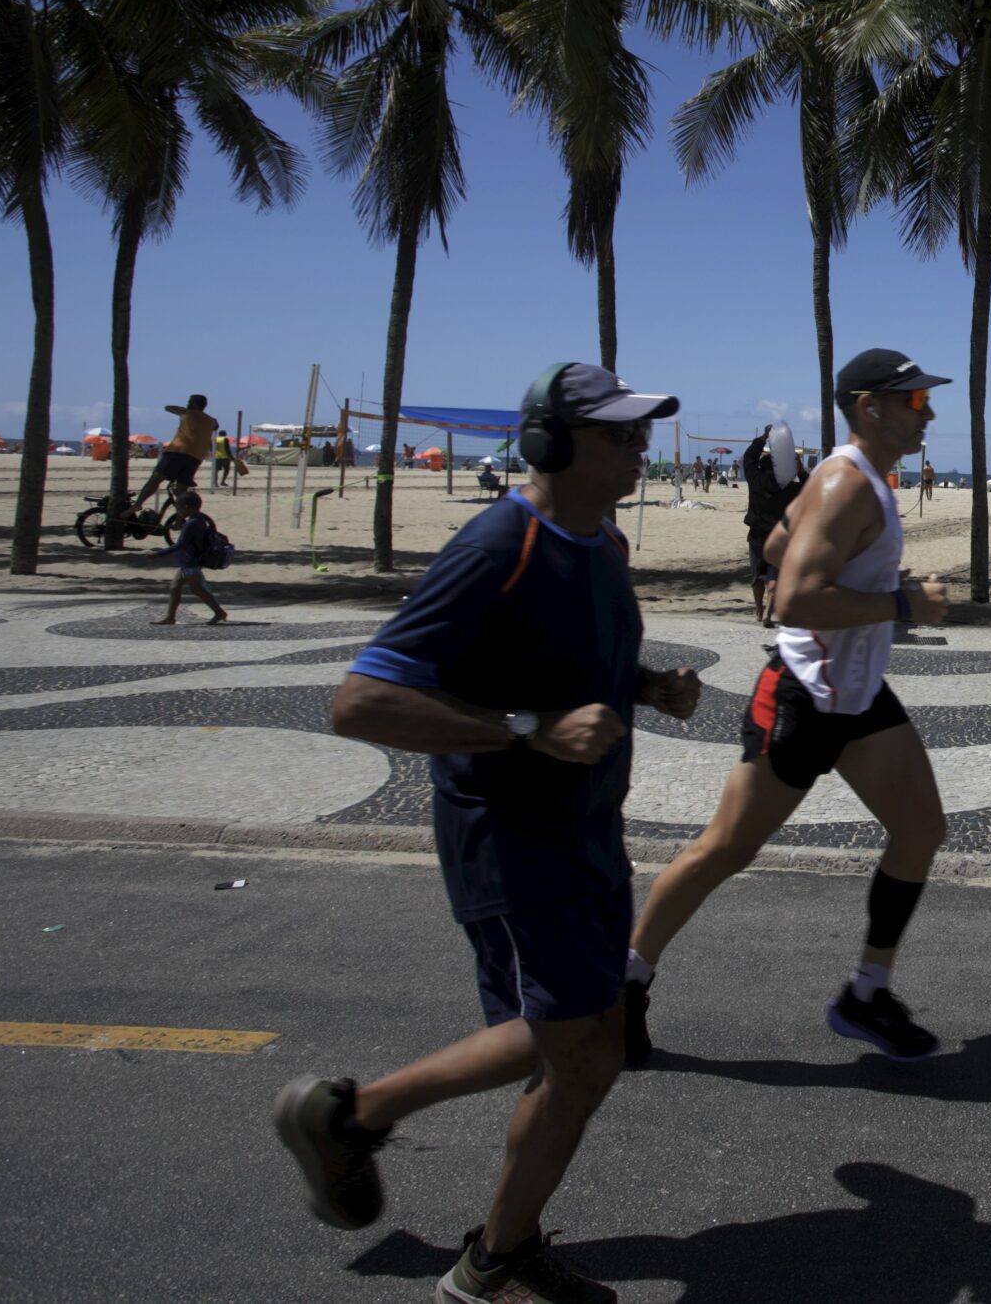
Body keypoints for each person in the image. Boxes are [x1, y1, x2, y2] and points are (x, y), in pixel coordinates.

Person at [276, 360, 697, 1304]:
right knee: (583, 1052)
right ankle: (491, 1265)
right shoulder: (497, 542)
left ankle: (358, 1120)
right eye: (619, 433)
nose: (638, 447)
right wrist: (525, 732)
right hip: (508, 836)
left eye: (640, 432)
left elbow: (561, 661)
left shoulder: (604, 545)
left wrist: (645, 685)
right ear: (551, 442)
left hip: (588, 828)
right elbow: (361, 701)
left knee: (563, 1043)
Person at [622, 348, 954, 1068]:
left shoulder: (853, 478)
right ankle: (624, 985)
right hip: (803, 696)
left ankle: (867, 992)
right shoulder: (845, 482)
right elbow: (795, 598)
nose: (928, 411)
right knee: (726, 849)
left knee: (922, 827)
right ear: (871, 406)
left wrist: (861, 573)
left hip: (858, 696)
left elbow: (778, 546)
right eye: (917, 401)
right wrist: (903, 603)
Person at [740, 422, 805, 624]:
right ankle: (769, 611)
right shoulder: (790, 487)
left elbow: (749, 459)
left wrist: (762, 439)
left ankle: (759, 610)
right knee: (774, 575)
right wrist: (800, 470)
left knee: (756, 574)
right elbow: (809, 485)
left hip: (757, 533)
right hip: (780, 535)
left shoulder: (755, 481)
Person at [149, 488, 228, 626]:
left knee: (197, 589)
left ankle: (219, 612)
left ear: (186, 507)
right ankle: (170, 617)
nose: (178, 511)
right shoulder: (198, 519)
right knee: (174, 587)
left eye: (178, 508)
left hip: (191, 561)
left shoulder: (193, 522)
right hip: (187, 561)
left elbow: (181, 544)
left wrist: (158, 554)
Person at [134, 392, 216, 510]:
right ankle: (179, 519)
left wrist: (182, 410)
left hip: (178, 451)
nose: (187, 404)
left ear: (194, 404)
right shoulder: (211, 421)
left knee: (155, 479)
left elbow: (168, 408)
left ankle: (138, 504)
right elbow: (216, 425)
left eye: (189, 402)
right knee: (181, 491)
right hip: (195, 458)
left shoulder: (186, 413)